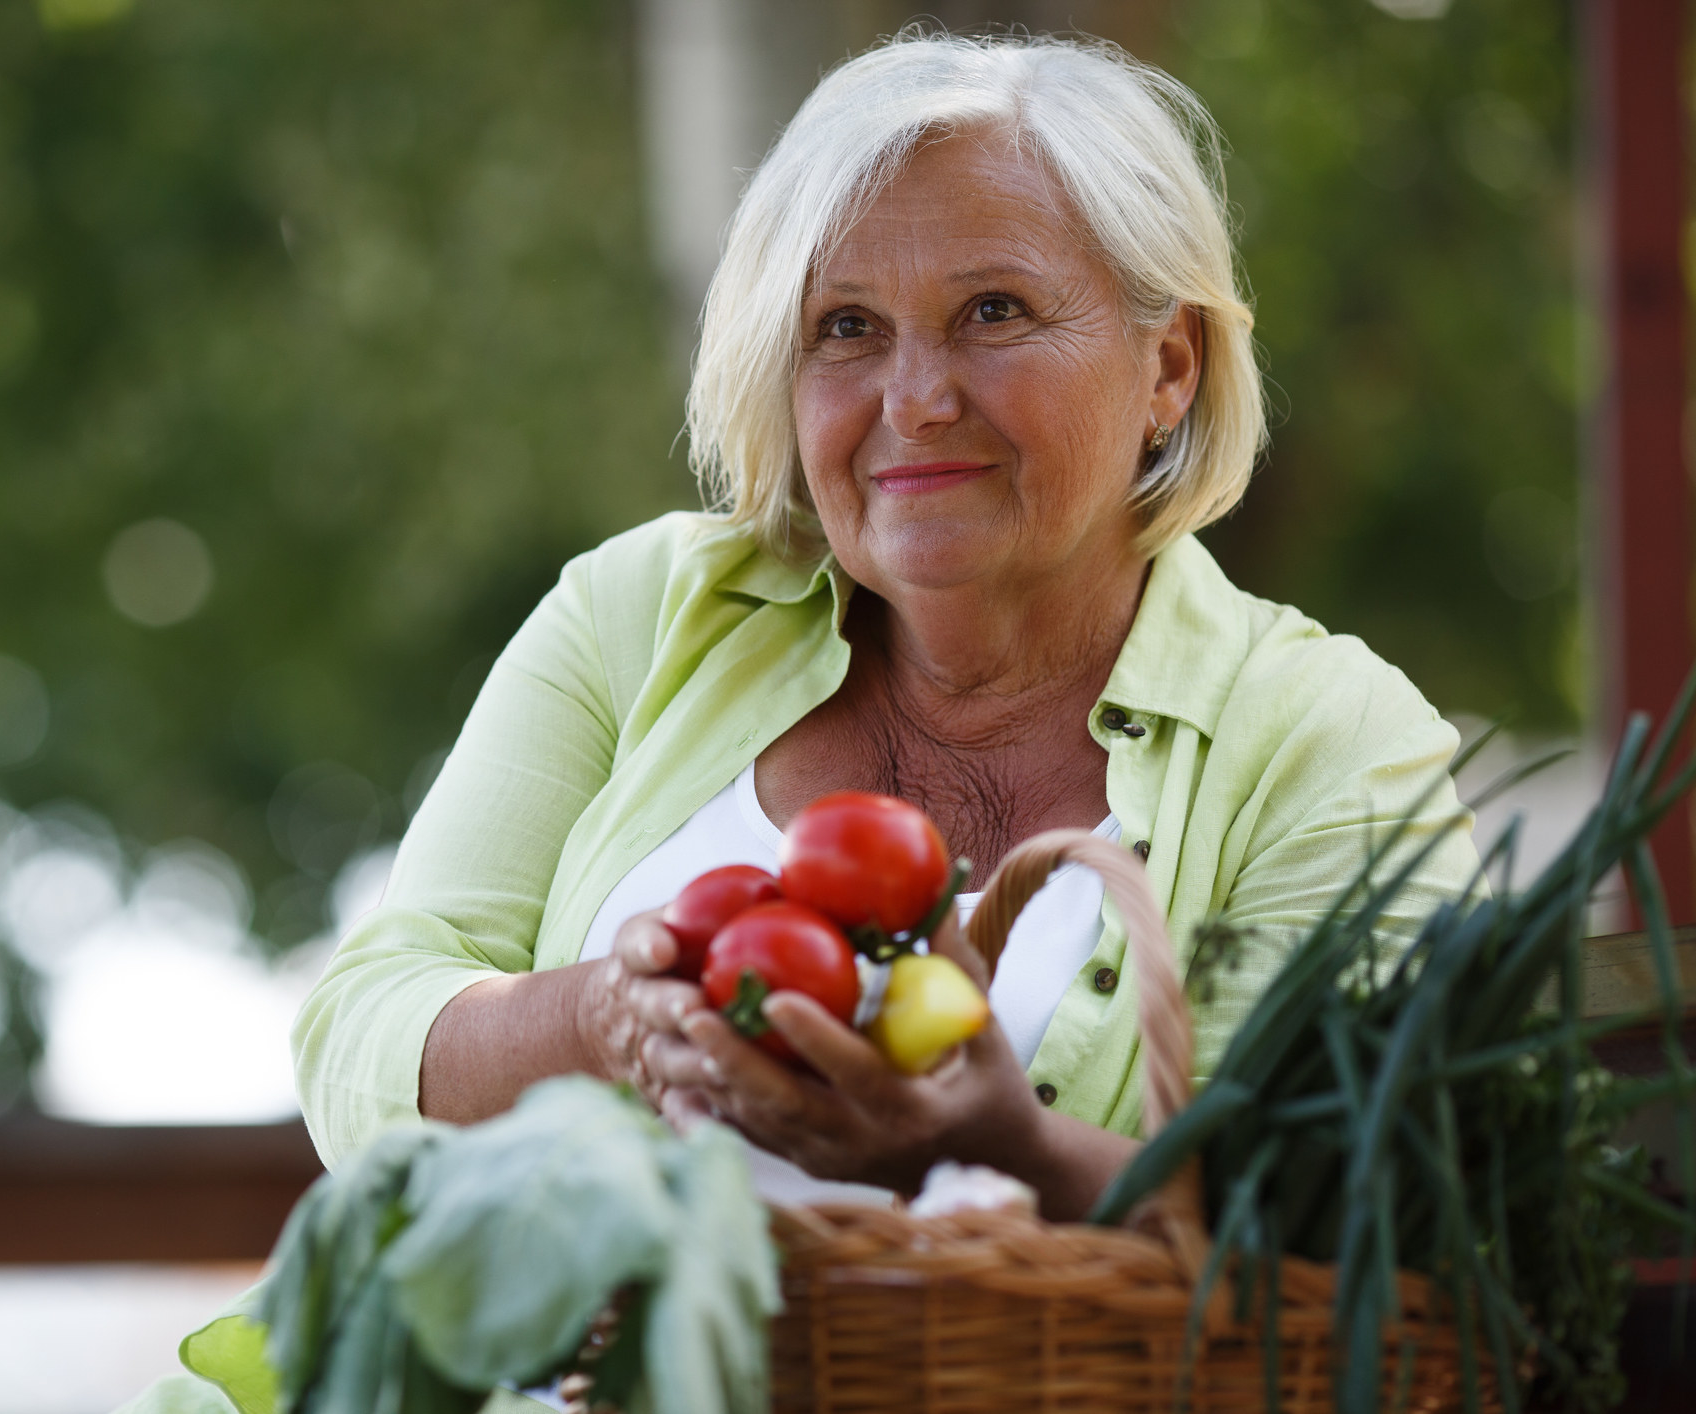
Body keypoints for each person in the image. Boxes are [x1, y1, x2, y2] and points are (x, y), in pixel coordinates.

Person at [291, 32, 1478, 1223]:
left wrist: (1010, 1148)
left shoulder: (1327, 739)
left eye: (994, 311)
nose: (915, 399)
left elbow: (1369, 1223)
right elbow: (362, 1034)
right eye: (846, 326)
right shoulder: (638, 614)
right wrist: (606, 1020)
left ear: (1168, 366)